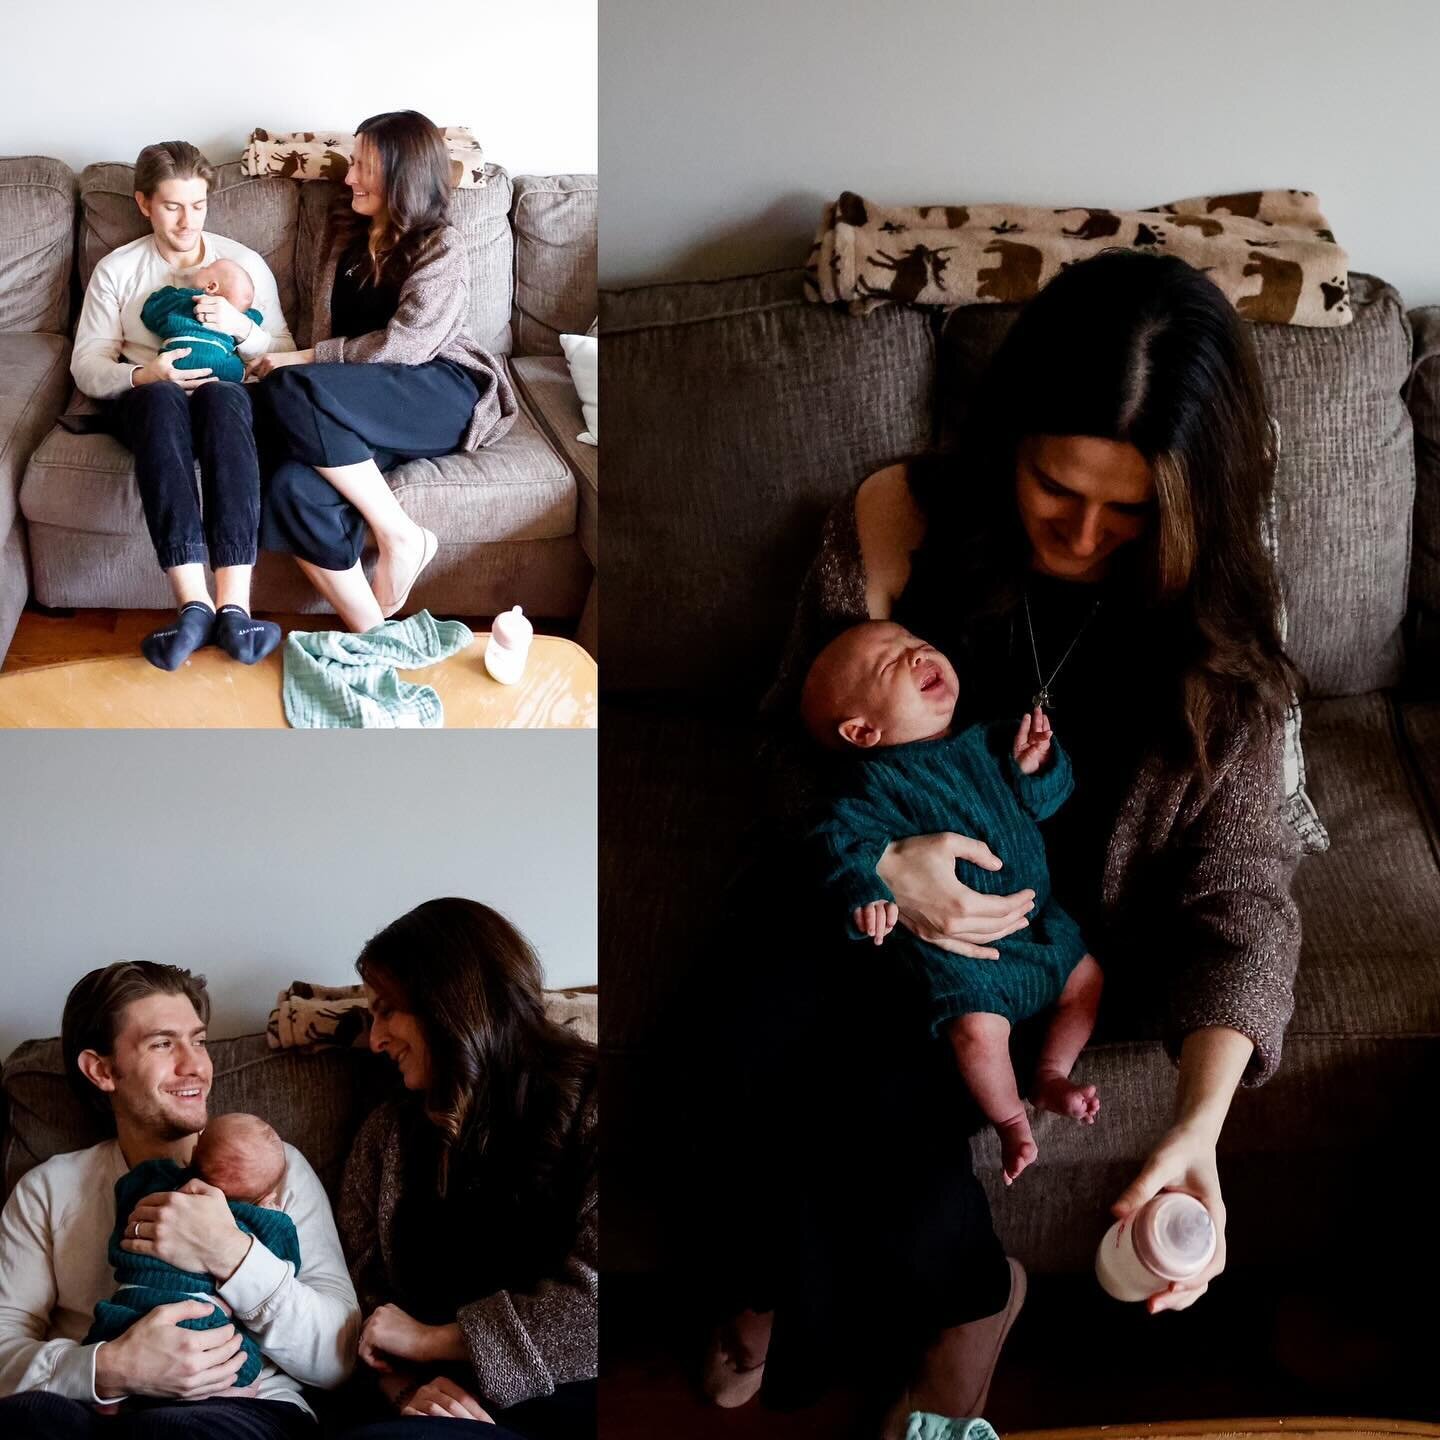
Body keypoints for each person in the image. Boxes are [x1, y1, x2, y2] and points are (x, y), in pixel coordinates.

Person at [701, 249, 1303, 1434]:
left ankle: (975, 1305)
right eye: (1055, 488)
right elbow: (786, 748)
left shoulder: (1225, 618)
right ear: (1009, 442)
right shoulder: (894, 524)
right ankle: (763, 1288)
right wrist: (884, 867)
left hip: (1042, 936)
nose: (1083, 536)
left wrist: (1199, 1126)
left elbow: (1246, 886)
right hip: (861, 888)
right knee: (721, 1053)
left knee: (887, 1106)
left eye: (1129, 510)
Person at [0, 961, 360, 1438]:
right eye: (164, 1043)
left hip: (243, 1405)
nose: (196, 1066)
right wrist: (108, 1368)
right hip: (89, 1407)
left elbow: (340, 1358)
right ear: (102, 1070)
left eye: (200, 1041)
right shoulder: (48, 1189)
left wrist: (230, 1253)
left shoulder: (274, 1166)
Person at [803, 620, 1104, 1185]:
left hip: (1040, 924)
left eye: (918, 644)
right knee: (976, 1032)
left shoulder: (991, 741)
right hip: (968, 957)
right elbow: (841, 847)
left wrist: (1037, 767)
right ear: (863, 730)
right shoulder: (870, 786)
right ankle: (1013, 1117)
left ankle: (1051, 1073)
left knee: (1088, 981)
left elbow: (1047, 803)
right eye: (893, 664)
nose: (919, 655)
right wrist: (868, 893)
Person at [336, 898, 597, 1438]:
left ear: (446, 1002)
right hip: (426, 1414)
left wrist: (432, 1340)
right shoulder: (384, 1137)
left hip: (565, 1406)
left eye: (387, 1010)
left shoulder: (593, 1103)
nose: (376, 1040)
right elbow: (361, 1300)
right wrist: (406, 1389)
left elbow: (597, 1311)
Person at [250, 111, 517, 634]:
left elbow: (410, 344)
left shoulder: (441, 244)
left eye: (363, 166)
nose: (349, 177)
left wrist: (306, 359)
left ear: (403, 174)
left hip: (436, 389)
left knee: (288, 383)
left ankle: (399, 536)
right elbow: (329, 334)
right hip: (362, 401)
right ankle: (375, 638)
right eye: (351, 163)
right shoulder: (342, 234)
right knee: (289, 488)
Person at [70, 141, 294, 670]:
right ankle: (193, 603)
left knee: (223, 397)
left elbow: (283, 354)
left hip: (226, 399)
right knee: (160, 399)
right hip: (147, 401)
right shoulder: (118, 270)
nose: (187, 221)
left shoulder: (244, 266)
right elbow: (86, 364)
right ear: (144, 203)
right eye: (172, 206)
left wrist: (240, 328)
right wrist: (144, 372)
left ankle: (235, 607)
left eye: (197, 206)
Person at [86, 1114, 302, 1389]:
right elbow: (288, 1266)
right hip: (194, 1312)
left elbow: (128, 1186)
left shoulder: (154, 1184)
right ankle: (236, 1391)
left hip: (127, 1302)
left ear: (193, 1154)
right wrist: (270, 1215)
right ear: (267, 1195)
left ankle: (111, 1401)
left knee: (103, 1344)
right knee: (241, 1360)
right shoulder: (262, 1220)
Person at [142, 259, 266, 385]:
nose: (201, 267)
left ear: (211, 286)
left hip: (177, 360)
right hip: (220, 365)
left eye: (206, 268)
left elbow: (151, 312)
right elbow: (257, 318)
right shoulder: (240, 316)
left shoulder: (183, 297)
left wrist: (166, 293)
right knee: (235, 372)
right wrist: (245, 316)